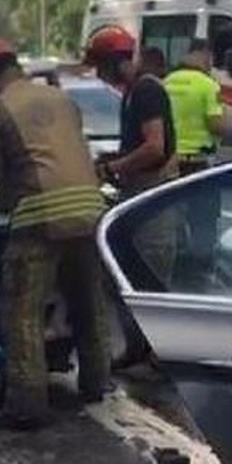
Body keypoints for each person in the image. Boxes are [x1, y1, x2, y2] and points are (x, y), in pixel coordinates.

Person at [0, 37, 110, 429]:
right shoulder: (62, 99)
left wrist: (5, 207)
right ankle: (98, 383)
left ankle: (27, 406)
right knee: (88, 303)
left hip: (40, 217)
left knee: (23, 314)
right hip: (90, 209)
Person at [84, 26, 178, 285]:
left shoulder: (146, 90)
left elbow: (154, 147)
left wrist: (111, 168)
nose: (99, 75)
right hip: (139, 196)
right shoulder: (132, 92)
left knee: (148, 280)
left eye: (100, 66)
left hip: (153, 200)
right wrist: (114, 158)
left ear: (114, 62)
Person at [163, 40, 226, 273]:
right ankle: (201, 266)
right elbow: (217, 124)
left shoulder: (166, 82)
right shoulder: (208, 85)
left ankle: (176, 262)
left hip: (171, 163)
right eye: (210, 59)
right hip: (199, 164)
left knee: (172, 214)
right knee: (204, 217)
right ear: (205, 55)